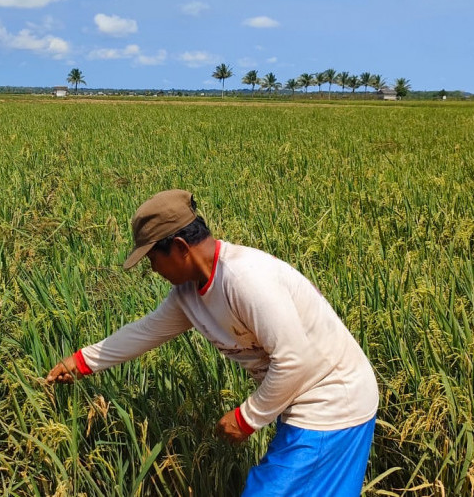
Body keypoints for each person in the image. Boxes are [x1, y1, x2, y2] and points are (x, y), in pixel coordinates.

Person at [46, 189, 379, 496]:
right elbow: (145, 331)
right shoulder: (188, 294)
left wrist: (246, 417)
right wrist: (82, 361)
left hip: (333, 400)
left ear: (179, 247)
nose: (152, 267)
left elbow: (296, 360)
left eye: (152, 257)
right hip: (301, 402)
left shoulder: (245, 279)